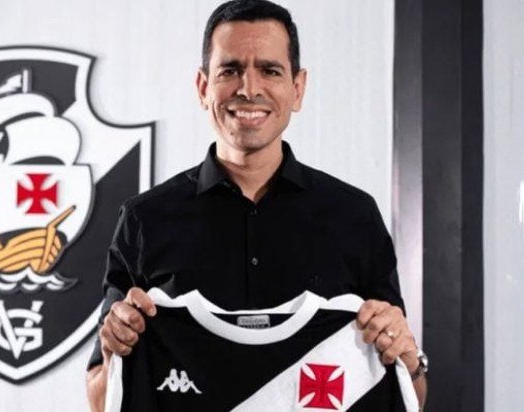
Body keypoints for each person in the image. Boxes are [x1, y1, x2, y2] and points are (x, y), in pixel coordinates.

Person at [86, 0, 427, 410]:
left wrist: (410, 361)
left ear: (298, 88)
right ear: (203, 87)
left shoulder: (354, 216)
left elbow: (410, 397)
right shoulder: (145, 220)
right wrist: (114, 352)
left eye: (270, 70)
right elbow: (101, 400)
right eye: (230, 70)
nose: (248, 89)